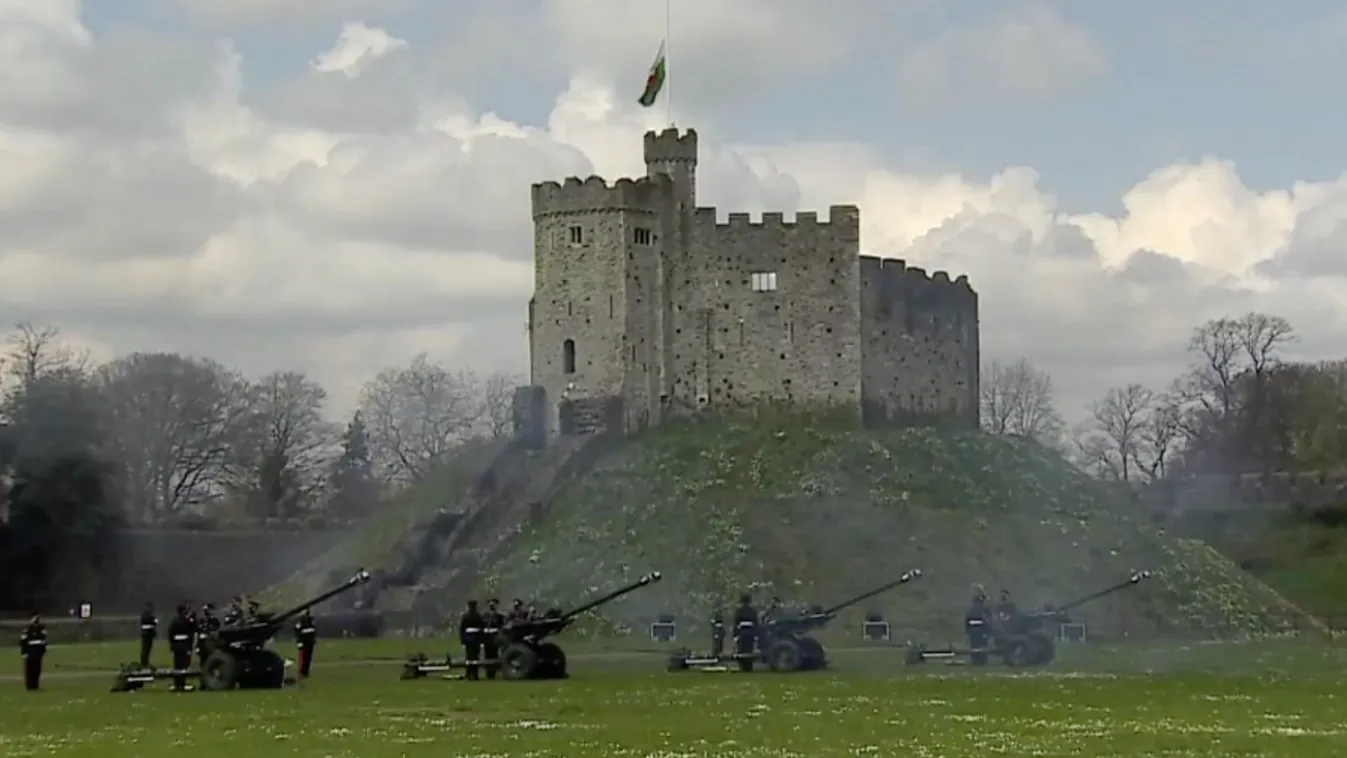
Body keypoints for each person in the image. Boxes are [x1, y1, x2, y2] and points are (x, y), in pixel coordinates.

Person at [167, 605, 194, 692]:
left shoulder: (174, 621)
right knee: (183, 666)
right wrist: (189, 647)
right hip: (184, 645)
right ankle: (182, 683)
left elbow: (170, 634)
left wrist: (172, 646)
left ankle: (177, 684)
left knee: (177, 665)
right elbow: (191, 635)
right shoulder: (187, 621)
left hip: (176, 646)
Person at [19, 614, 47, 691]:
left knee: (37, 670)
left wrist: (43, 651)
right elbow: (23, 642)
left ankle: (36, 686)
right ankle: (29, 687)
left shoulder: (41, 630)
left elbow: (43, 641)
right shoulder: (27, 631)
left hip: (38, 653)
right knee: (29, 671)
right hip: (30, 653)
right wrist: (24, 653)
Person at [731, 594, 759, 672]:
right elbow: (756, 623)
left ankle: (743, 666)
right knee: (749, 650)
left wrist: (735, 635)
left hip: (742, 632)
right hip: (750, 632)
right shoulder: (752, 611)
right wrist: (756, 635)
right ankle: (748, 667)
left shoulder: (739, 611)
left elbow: (736, 624)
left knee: (741, 650)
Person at [458, 600, 484, 681]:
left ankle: (469, 674)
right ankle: (474, 675)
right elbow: (482, 629)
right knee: (474, 657)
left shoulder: (466, 616)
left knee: (470, 657)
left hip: (469, 638)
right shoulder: (478, 616)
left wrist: (463, 641)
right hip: (475, 638)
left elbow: (462, 630)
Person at [965, 588, 991, 666]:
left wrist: (968, 631)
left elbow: (967, 621)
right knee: (980, 646)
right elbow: (988, 621)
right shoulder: (984, 609)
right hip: (980, 631)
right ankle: (980, 660)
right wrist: (987, 632)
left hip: (974, 631)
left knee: (975, 646)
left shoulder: (971, 609)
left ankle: (976, 660)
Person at [482, 599, 505, 680]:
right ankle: (488, 673)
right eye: (490, 604)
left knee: (494, 654)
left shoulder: (499, 616)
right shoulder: (485, 615)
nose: (491, 605)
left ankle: (493, 672)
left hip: (494, 636)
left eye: (493, 604)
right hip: (486, 636)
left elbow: (501, 627)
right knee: (487, 654)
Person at [294, 610, 317, 679]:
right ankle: (303, 672)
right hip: (307, 641)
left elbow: (297, 630)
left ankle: (304, 672)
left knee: (305, 657)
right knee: (306, 657)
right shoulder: (304, 620)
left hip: (306, 641)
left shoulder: (302, 620)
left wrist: (299, 641)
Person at [138, 602, 158, 668]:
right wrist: (154, 621)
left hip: (148, 634)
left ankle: (145, 662)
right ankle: (144, 663)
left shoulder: (148, 615)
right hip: (147, 634)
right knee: (145, 649)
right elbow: (153, 622)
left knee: (147, 649)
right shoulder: (147, 616)